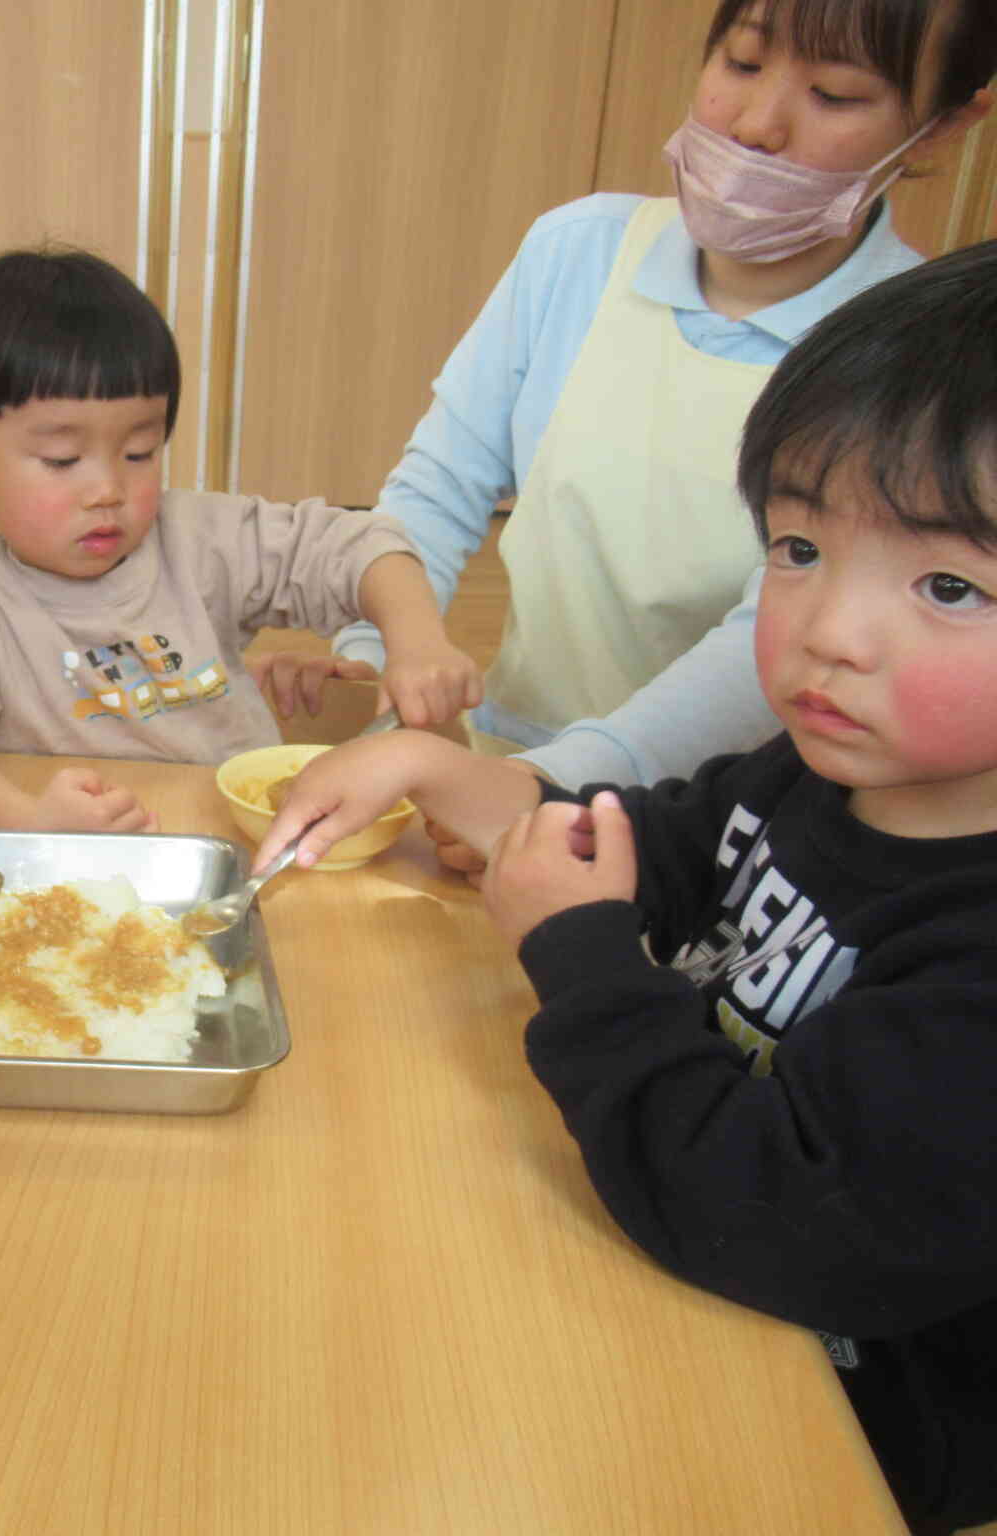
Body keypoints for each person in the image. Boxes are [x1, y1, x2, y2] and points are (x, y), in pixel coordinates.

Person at [254, 239, 997, 1535]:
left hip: (844, 1424)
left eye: (944, 585)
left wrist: (583, 959)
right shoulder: (828, 771)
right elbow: (647, 841)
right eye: (801, 549)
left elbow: (772, 1213)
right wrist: (447, 772)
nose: (831, 630)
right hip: (671, 1239)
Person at [286, 0, 996, 865]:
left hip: (711, 819)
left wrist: (549, 792)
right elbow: (438, 485)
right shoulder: (576, 251)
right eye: (739, 64)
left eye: (835, 95)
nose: (756, 124)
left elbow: (757, 652)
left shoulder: (916, 354)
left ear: (939, 128)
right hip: (507, 756)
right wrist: (381, 661)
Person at [0, 246, 479, 833]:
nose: (108, 488)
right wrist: (29, 823)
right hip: (74, 859)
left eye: (140, 452)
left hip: (238, 836)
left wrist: (418, 640)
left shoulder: (200, 540)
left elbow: (357, 546)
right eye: (62, 459)